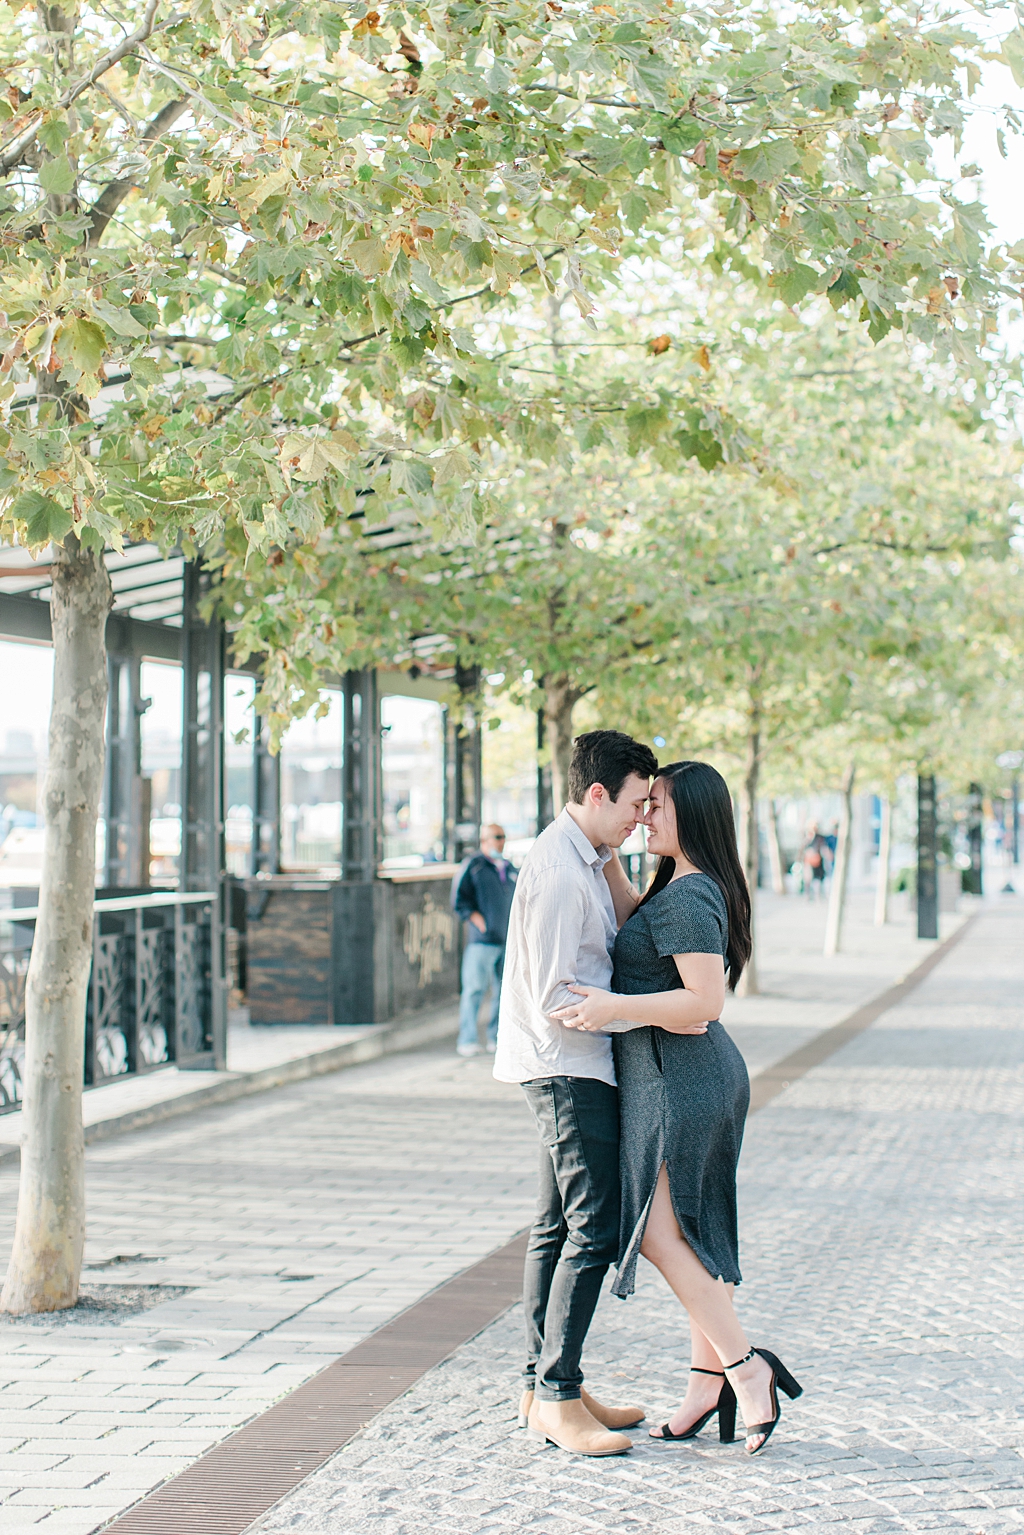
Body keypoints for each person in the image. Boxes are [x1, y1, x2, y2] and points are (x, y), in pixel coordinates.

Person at [554, 761, 803, 1457]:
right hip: (687, 1071)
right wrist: (600, 852)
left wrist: (612, 1009)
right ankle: (706, 1383)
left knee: (663, 1236)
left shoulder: (693, 895)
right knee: (692, 1234)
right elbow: (641, 928)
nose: (645, 815)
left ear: (690, 815)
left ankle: (747, 1369)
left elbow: (705, 1001)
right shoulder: (680, 887)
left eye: (657, 805)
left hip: (683, 1079)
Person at [493, 729, 658, 1457]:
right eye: (634, 801)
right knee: (594, 1225)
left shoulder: (585, 856)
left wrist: (615, 854)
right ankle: (556, 1394)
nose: (641, 815)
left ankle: (545, 1382)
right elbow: (554, 989)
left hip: (568, 1060)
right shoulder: (562, 872)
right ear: (597, 793)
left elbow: (621, 920)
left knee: (556, 1224)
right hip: (568, 1064)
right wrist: (625, 1009)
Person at [452, 824, 517, 1057]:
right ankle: (468, 1039)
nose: (501, 842)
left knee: (503, 992)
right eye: (497, 837)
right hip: (482, 940)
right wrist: (478, 920)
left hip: (506, 939)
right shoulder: (474, 865)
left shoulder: (509, 868)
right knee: (474, 990)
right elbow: (459, 900)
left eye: (503, 837)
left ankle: (495, 1037)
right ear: (484, 840)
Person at [802, 822, 829, 899]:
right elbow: (803, 849)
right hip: (808, 862)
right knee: (808, 879)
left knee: (817, 878)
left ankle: (817, 895)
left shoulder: (820, 838)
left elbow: (823, 848)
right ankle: (808, 895)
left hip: (817, 861)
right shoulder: (807, 838)